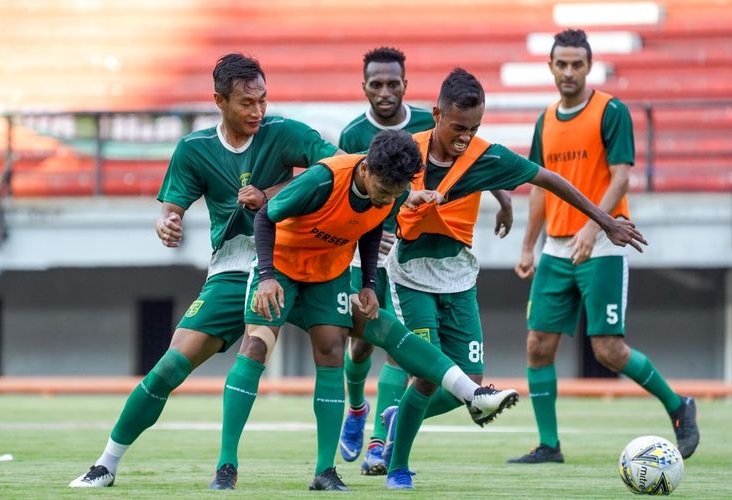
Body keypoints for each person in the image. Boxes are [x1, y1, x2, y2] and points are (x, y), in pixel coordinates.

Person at [69, 53, 341, 488]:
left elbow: (337, 167)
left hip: (300, 259)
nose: (258, 111)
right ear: (219, 100)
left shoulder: (286, 132)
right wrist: (167, 223)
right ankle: (107, 463)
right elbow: (169, 208)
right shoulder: (194, 149)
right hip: (234, 267)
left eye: (262, 100)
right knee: (170, 366)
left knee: (344, 346)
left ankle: (339, 462)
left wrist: (272, 192)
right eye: (246, 103)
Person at [380, 67, 647, 490]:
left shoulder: (485, 154)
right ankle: (397, 467)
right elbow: (366, 179)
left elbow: (549, 179)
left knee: (469, 375)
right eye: (457, 127)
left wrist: (606, 221)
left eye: (475, 127)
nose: (466, 136)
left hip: (459, 277)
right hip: (410, 275)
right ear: (435, 114)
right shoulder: (405, 151)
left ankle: (401, 415)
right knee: (428, 375)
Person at [211, 129, 520, 491]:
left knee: (332, 351)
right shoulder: (324, 178)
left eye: (395, 193)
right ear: (366, 171)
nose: (388, 199)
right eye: (385, 191)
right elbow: (265, 216)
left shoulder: (392, 188)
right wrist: (265, 276)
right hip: (279, 266)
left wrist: (370, 284)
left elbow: (373, 226)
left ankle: (325, 471)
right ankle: (225, 467)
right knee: (256, 348)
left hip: (328, 274)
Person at [507, 29, 699, 465]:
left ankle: (678, 406)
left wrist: (594, 229)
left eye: (577, 63)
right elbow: (538, 189)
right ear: (550, 67)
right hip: (556, 249)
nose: (569, 71)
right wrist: (526, 246)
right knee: (537, 345)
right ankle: (548, 445)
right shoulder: (545, 121)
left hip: (603, 246)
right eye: (562, 63)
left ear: (589, 66)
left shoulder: (610, 110)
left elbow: (622, 177)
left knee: (607, 350)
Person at [338, 46, 513, 476]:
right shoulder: (350, 135)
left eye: (392, 83)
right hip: (367, 249)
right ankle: (358, 409)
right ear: (364, 87)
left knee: (408, 357)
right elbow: (345, 190)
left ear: (405, 85)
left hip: (407, 247)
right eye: (376, 84)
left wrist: (502, 197)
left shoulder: (428, 124)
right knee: (361, 343)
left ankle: (381, 443)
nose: (384, 91)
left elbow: (471, 161)